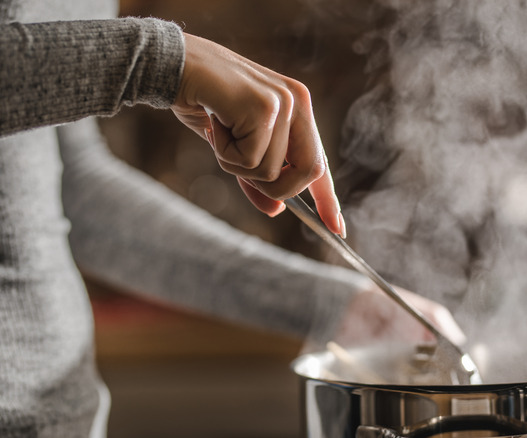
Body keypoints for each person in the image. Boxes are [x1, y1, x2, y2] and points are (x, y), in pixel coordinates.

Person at [0, 1, 464, 437]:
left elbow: (69, 192)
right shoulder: (151, 59)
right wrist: (158, 62)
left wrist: (334, 303)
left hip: (64, 417)